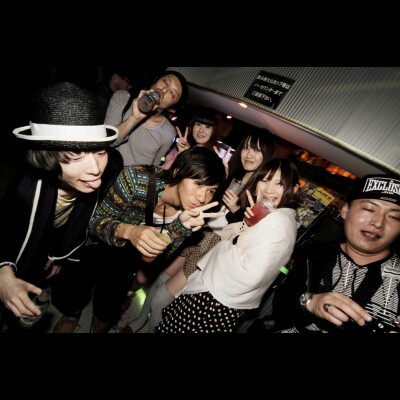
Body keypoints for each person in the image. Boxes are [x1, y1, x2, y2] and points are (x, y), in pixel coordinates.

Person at [121, 129, 276, 333]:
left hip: (215, 247)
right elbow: (202, 198)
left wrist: (237, 211)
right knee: (159, 281)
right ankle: (139, 321)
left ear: (266, 155)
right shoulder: (231, 173)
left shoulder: (260, 191)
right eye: (246, 147)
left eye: (256, 150)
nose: (249, 154)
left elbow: (249, 234)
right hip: (200, 234)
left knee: (162, 298)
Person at [56, 146, 226, 333]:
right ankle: (71, 315)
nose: (202, 197)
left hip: (126, 258)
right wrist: (129, 231)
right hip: (95, 246)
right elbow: (94, 223)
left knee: (108, 308)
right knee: (74, 292)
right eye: (198, 184)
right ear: (177, 172)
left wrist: (180, 228)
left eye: (211, 191)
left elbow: (160, 255)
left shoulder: (190, 215)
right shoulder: (136, 180)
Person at [0, 82, 122, 332]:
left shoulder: (110, 167)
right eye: (76, 156)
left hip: (60, 238)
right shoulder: (24, 191)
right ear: (47, 157)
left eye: (100, 151)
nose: (95, 169)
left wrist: (60, 256)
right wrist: (2, 274)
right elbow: (6, 233)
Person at [153, 158, 300, 333]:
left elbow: (250, 275)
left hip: (213, 301)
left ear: (294, 189)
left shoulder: (278, 220)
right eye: (265, 180)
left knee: (164, 313)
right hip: (216, 294)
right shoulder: (276, 216)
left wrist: (223, 245)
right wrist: (249, 223)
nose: (269, 189)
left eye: (279, 184)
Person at [273, 173, 400, 334]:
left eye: (395, 217)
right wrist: (310, 302)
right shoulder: (315, 254)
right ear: (345, 210)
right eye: (369, 209)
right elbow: (280, 302)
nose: (378, 223)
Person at [104, 70, 188, 166]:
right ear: (155, 80)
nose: (164, 90)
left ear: (172, 108)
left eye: (172, 94)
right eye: (165, 82)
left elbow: (154, 166)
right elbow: (106, 141)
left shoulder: (169, 132)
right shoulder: (122, 98)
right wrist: (134, 119)